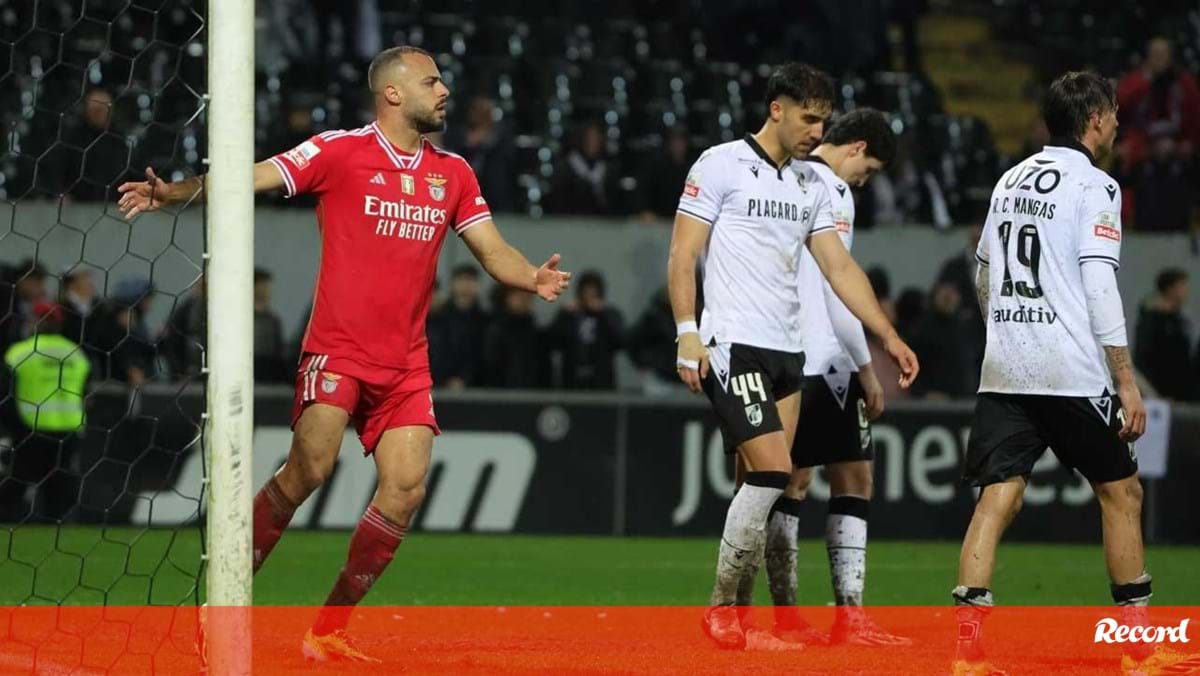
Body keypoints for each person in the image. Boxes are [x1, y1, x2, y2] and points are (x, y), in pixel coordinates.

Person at [117, 45, 572, 662]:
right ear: (392, 93)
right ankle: (221, 605)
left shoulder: (454, 172)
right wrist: (174, 193)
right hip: (337, 352)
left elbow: (493, 252)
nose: (444, 92)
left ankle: (328, 629)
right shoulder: (340, 152)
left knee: (406, 488)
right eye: (432, 81)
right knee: (310, 471)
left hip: (407, 364)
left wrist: (530, 278)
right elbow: (252, 177)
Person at [667, 62, 918, 650]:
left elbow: (839, 269)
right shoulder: (720, 164)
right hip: (733, 343)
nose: (816, 130)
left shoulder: (808, 184)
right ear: (776, 109)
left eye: (824, 120)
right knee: (777, 472)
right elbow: (683, 254)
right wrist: (686, 331)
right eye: (808, 118)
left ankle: (747, 622)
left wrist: (887, 336)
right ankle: (721, 610)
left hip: (789, 351)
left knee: (764, 483)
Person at [954, 71, 1173, 675]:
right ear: (1097, 118)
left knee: (996, 498)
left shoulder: (1009, 179)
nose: (1118, 123)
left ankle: (967, 654)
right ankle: (1136, 651)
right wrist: (1125, 378)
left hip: (1006, 367)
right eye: (1113, 113)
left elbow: (983, 271)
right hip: (1070, 370)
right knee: (1121, 493)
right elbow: (1100, 284)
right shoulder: (1096, 187)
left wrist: (1003, 329)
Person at [743, 108, 909, 646]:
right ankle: (841, 618)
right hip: (822, 359)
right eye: (872, 168)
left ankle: (794, 618)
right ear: (857, 147)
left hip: (795, 351)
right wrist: (868, 367)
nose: (867, 180)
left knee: (797, 480)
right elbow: (840, 288)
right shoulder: (832, 189)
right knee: (835, 479)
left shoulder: (787, 176)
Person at [0, 302, 90, 522]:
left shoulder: (19, 352)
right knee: (59, 486)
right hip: (68, 428)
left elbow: (5, 391)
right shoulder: (75, 352)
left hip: (31, 427)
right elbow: (86, 386)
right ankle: (56, 526)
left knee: (17, 481)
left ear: (35, 322)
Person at [546, 270, 625, 390]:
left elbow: (620, 341)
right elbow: (553, 342)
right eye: (586, 291)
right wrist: (563, 316)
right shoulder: (569, 315)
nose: (589, 297)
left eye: (593, 292)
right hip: (572, 379)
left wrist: (603, 314)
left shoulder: (609, 314)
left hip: (602, 380)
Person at [442, 94, 517, 213]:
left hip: (494, 194)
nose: (477, 114)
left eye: (482, 110)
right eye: (474, 109)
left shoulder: (500, 138)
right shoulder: (457, 135)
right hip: (462, 190)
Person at [427, 264, 490, 389]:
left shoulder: (486, 322)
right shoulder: (438, 319)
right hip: (438, 386)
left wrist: (466, 378)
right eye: (462, 280)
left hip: (477, 388)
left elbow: (484, 357)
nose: (466, 286)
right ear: (452, 284)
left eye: (471, 281)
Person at [1134, 268, 1192, 401]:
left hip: (1181, 391)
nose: (1186, 292)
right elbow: (1144, 355)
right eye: (1181, 286)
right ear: (1170, 289)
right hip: (1158, 392)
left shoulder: (1179, 320)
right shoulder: (1152, 320)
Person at [635, 126, 693, 222]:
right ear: (668, 144)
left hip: (687, 220)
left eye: (680, 142)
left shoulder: (695, 167)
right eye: (674, 141)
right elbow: (643, 190)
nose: (677, 145)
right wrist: (645, 210)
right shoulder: (656, 165)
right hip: (658, 219)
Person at [254, 268, 290, 384]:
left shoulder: (273, 320)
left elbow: (278, 350)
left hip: (270, 375)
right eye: (262, 286)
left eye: (267, 287)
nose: (266, 291)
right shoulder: (242, 319)